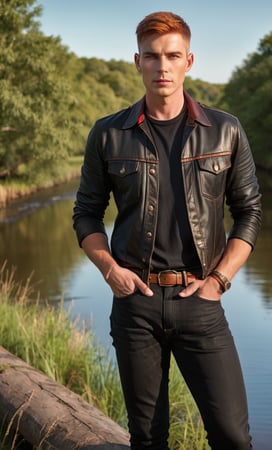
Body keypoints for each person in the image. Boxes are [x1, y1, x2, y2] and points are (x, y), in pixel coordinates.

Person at [73, 11, 262, 450]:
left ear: (189, 61)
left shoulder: (226, 129)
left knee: (233, 436)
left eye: (172, 56)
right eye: (152, 56)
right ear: (136, 61)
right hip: (135, 303)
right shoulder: (108, 134)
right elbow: (86, 214)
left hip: (200, 299)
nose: (162, 66)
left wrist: (219, 280)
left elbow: (249, 211)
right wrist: (109, 270)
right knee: (148, 438)